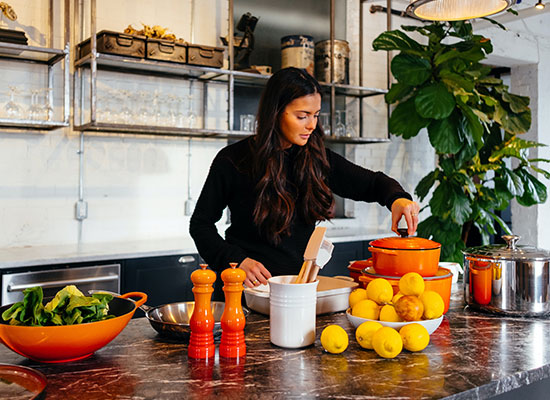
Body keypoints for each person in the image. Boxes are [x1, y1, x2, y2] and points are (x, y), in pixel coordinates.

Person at [190, 67, 420, 289]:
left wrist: (397, 198)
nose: (311, 125)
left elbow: (372, 184)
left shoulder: (317, 158)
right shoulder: (233, 160)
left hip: (297, 290)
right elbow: (201, 224)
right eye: (302, 116)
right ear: (276, 112)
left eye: (316, 115)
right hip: (244, 291)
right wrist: (237, 261)